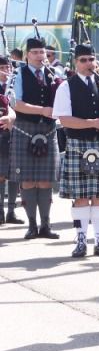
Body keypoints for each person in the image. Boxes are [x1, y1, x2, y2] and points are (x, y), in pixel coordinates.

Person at [52, 43, 99, 257]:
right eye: (83, 60)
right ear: (76, 62)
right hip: (77, 144)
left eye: (91, 59)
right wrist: (92, 123)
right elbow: (64, 119)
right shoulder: (66, 86)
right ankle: (81, 238)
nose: (88, 63)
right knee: (81, 195)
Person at [9, 38, 60, 239]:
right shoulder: (18, 74)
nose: (41, 56)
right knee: (28, 180)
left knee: (46, 181)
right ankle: (32, 225)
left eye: (44, 52)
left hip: (48, 131)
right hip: (25, 130)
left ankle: (45, 225)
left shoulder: (53, 74)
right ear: (27, 54)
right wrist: (43, 110)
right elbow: (17, 104)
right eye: (36, 52)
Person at [0, 56, 23, 225]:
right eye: (3, 68)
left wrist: (11, 119)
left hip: (14, 133)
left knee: (15, 174)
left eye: (8, 67)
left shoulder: (13, 86)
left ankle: (11, 211)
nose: (6, 71)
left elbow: (15, 108)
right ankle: (0, 211)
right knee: (1, 175)